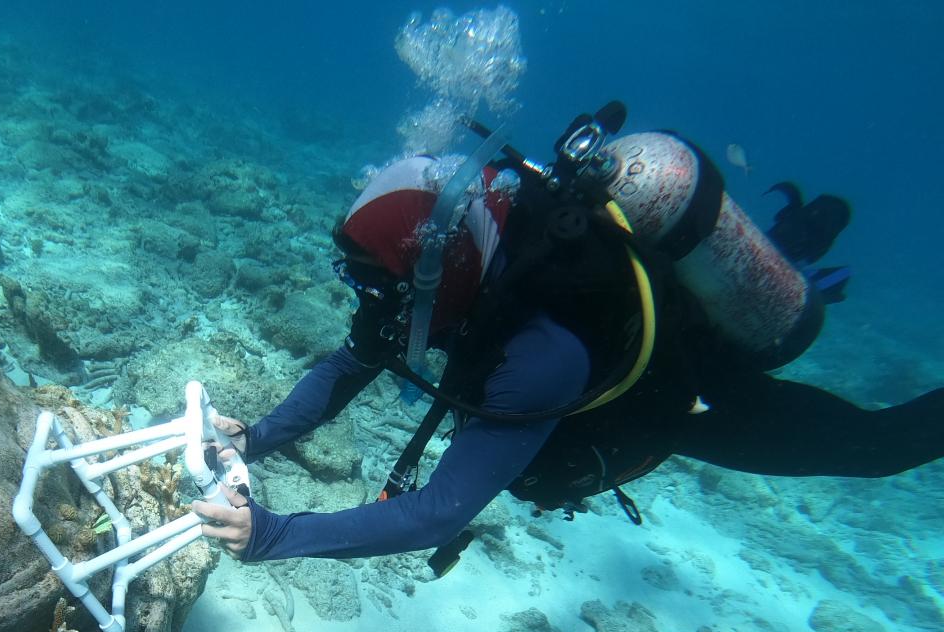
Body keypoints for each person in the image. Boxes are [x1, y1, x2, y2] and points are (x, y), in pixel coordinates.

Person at [191, 106, 944, 570]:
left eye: (378, 285)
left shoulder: (541, 354)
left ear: (435, 272)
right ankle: (800, 234)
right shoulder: (458, 263)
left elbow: (440, 511)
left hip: (674, 393)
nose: (368, 305)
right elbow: (352, 361)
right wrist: (255, 439)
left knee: (871, 449)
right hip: (605, 326)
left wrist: (273, 534)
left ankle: (797, 260)